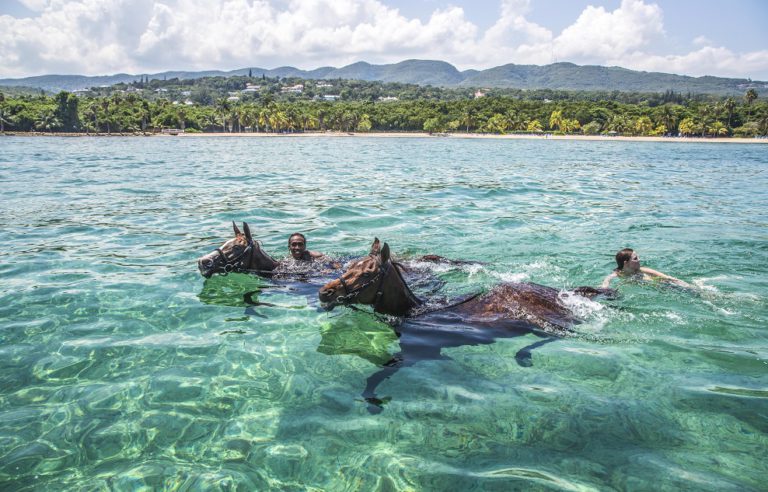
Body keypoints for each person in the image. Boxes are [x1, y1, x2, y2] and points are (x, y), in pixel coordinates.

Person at [602, 248, 691, 288]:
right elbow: (606, 283)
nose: (639, 260)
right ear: (626, 263)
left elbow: (668, 278)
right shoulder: (617, 275)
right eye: (636, 258)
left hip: (667, 287)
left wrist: (689, 287)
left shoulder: (643, 270)